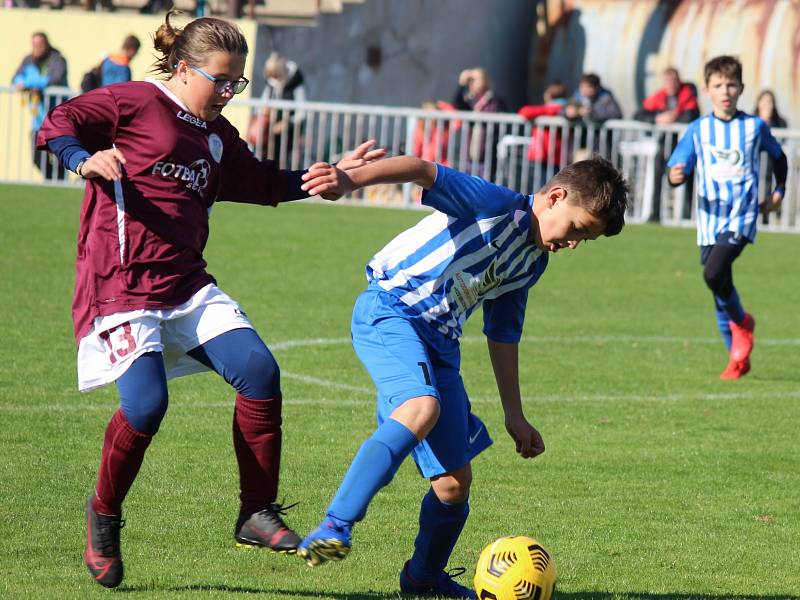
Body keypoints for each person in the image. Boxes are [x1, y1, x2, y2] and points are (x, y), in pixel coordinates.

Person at [35, 11, 382, 589]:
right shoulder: (133, 101)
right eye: (219, 80)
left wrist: (323, 179)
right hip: (121, 284)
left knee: (259, 371)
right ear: (182, 67)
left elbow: (259, 182)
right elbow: (58, 123)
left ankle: (255, 513)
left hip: (186, 285)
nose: (227, 93)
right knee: (146, 408)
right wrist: (82, 158)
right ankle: (103, 514)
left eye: (236, 83)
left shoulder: (216, 135)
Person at [294, 155, 629, 598]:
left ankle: (423, 577)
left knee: (453, 485)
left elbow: (504, 334)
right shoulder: (495, 204)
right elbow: (421, 169)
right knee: (422, 407)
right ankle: (335, 525)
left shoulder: (531, 264)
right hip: (392, 310)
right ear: (555, 197)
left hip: (441, 345)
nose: (574, 244)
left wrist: (516, 415)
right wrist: (348, 179)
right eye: (578, 229)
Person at [667, 55, 787, 380]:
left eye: (731, 85)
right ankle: (736, 360)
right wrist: (676, 176)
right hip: (709, 220)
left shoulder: (754, 127)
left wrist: (778, 193)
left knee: (713, 273)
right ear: (707, 90)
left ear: (741, 89)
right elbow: (678, 166)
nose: (725, 91)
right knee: (719, 286)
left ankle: (744, 324)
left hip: (742, 215)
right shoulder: (699, 129)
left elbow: (779, 159)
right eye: (718, 85)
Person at [12, 31, 68, 181]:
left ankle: (61, 181)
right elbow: (16, 78)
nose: (36, 48)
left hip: (57, 118)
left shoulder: (57, 59)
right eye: (34, 45)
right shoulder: (28, 60)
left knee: (59, 156)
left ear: (47, 44)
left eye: (40, 45)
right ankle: (52, 180)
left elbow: (55, 78)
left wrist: (31, 83)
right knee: (37, 157)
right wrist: (21, 83)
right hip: (38, 119)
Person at [248, 52, 307, 165]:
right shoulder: (270, 83)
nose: (273, 79)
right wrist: (264, 112)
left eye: (275, 75)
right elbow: (262, 104)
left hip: (289, 132)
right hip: (269, 131)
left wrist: (287, 122)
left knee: (284, 162)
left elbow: (302, 113)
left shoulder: (296, 84)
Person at [452, 68, 508, 178]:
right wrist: (461, 85)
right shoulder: (470, 100)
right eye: (470, 80)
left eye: (474, 79)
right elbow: (456, 104)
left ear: (485, 81)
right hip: (468, 156)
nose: (471, 83)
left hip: (487, 156)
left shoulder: (494, 100)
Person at [518, 81, 570, 192]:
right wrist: (552, 108)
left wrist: (552, 108)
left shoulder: (564, 111)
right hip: (549, 156)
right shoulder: (558, 110)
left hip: (550, 157)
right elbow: (525, 112)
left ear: (548, 95)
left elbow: (524, 111)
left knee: (543, 189)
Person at [564, 73, 622, 158]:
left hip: (600, 144)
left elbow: (616, 114)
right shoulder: (576, 97)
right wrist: (569, 114)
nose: (584, 90)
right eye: (582, 87)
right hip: (579, 143)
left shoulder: (606, 98)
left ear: (597, 87)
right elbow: (562, 111)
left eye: (588, 87)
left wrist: (591, 113)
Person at [634, 67, 700, 125]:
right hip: (665, 136)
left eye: (674, 81)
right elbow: (637, 115)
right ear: (663, 83)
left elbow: (690, 117)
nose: (671, 84)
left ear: (679, 81)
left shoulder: (688, 94)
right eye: (667, 81)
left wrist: (672, 118)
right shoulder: (659, 97)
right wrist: (657, 119)